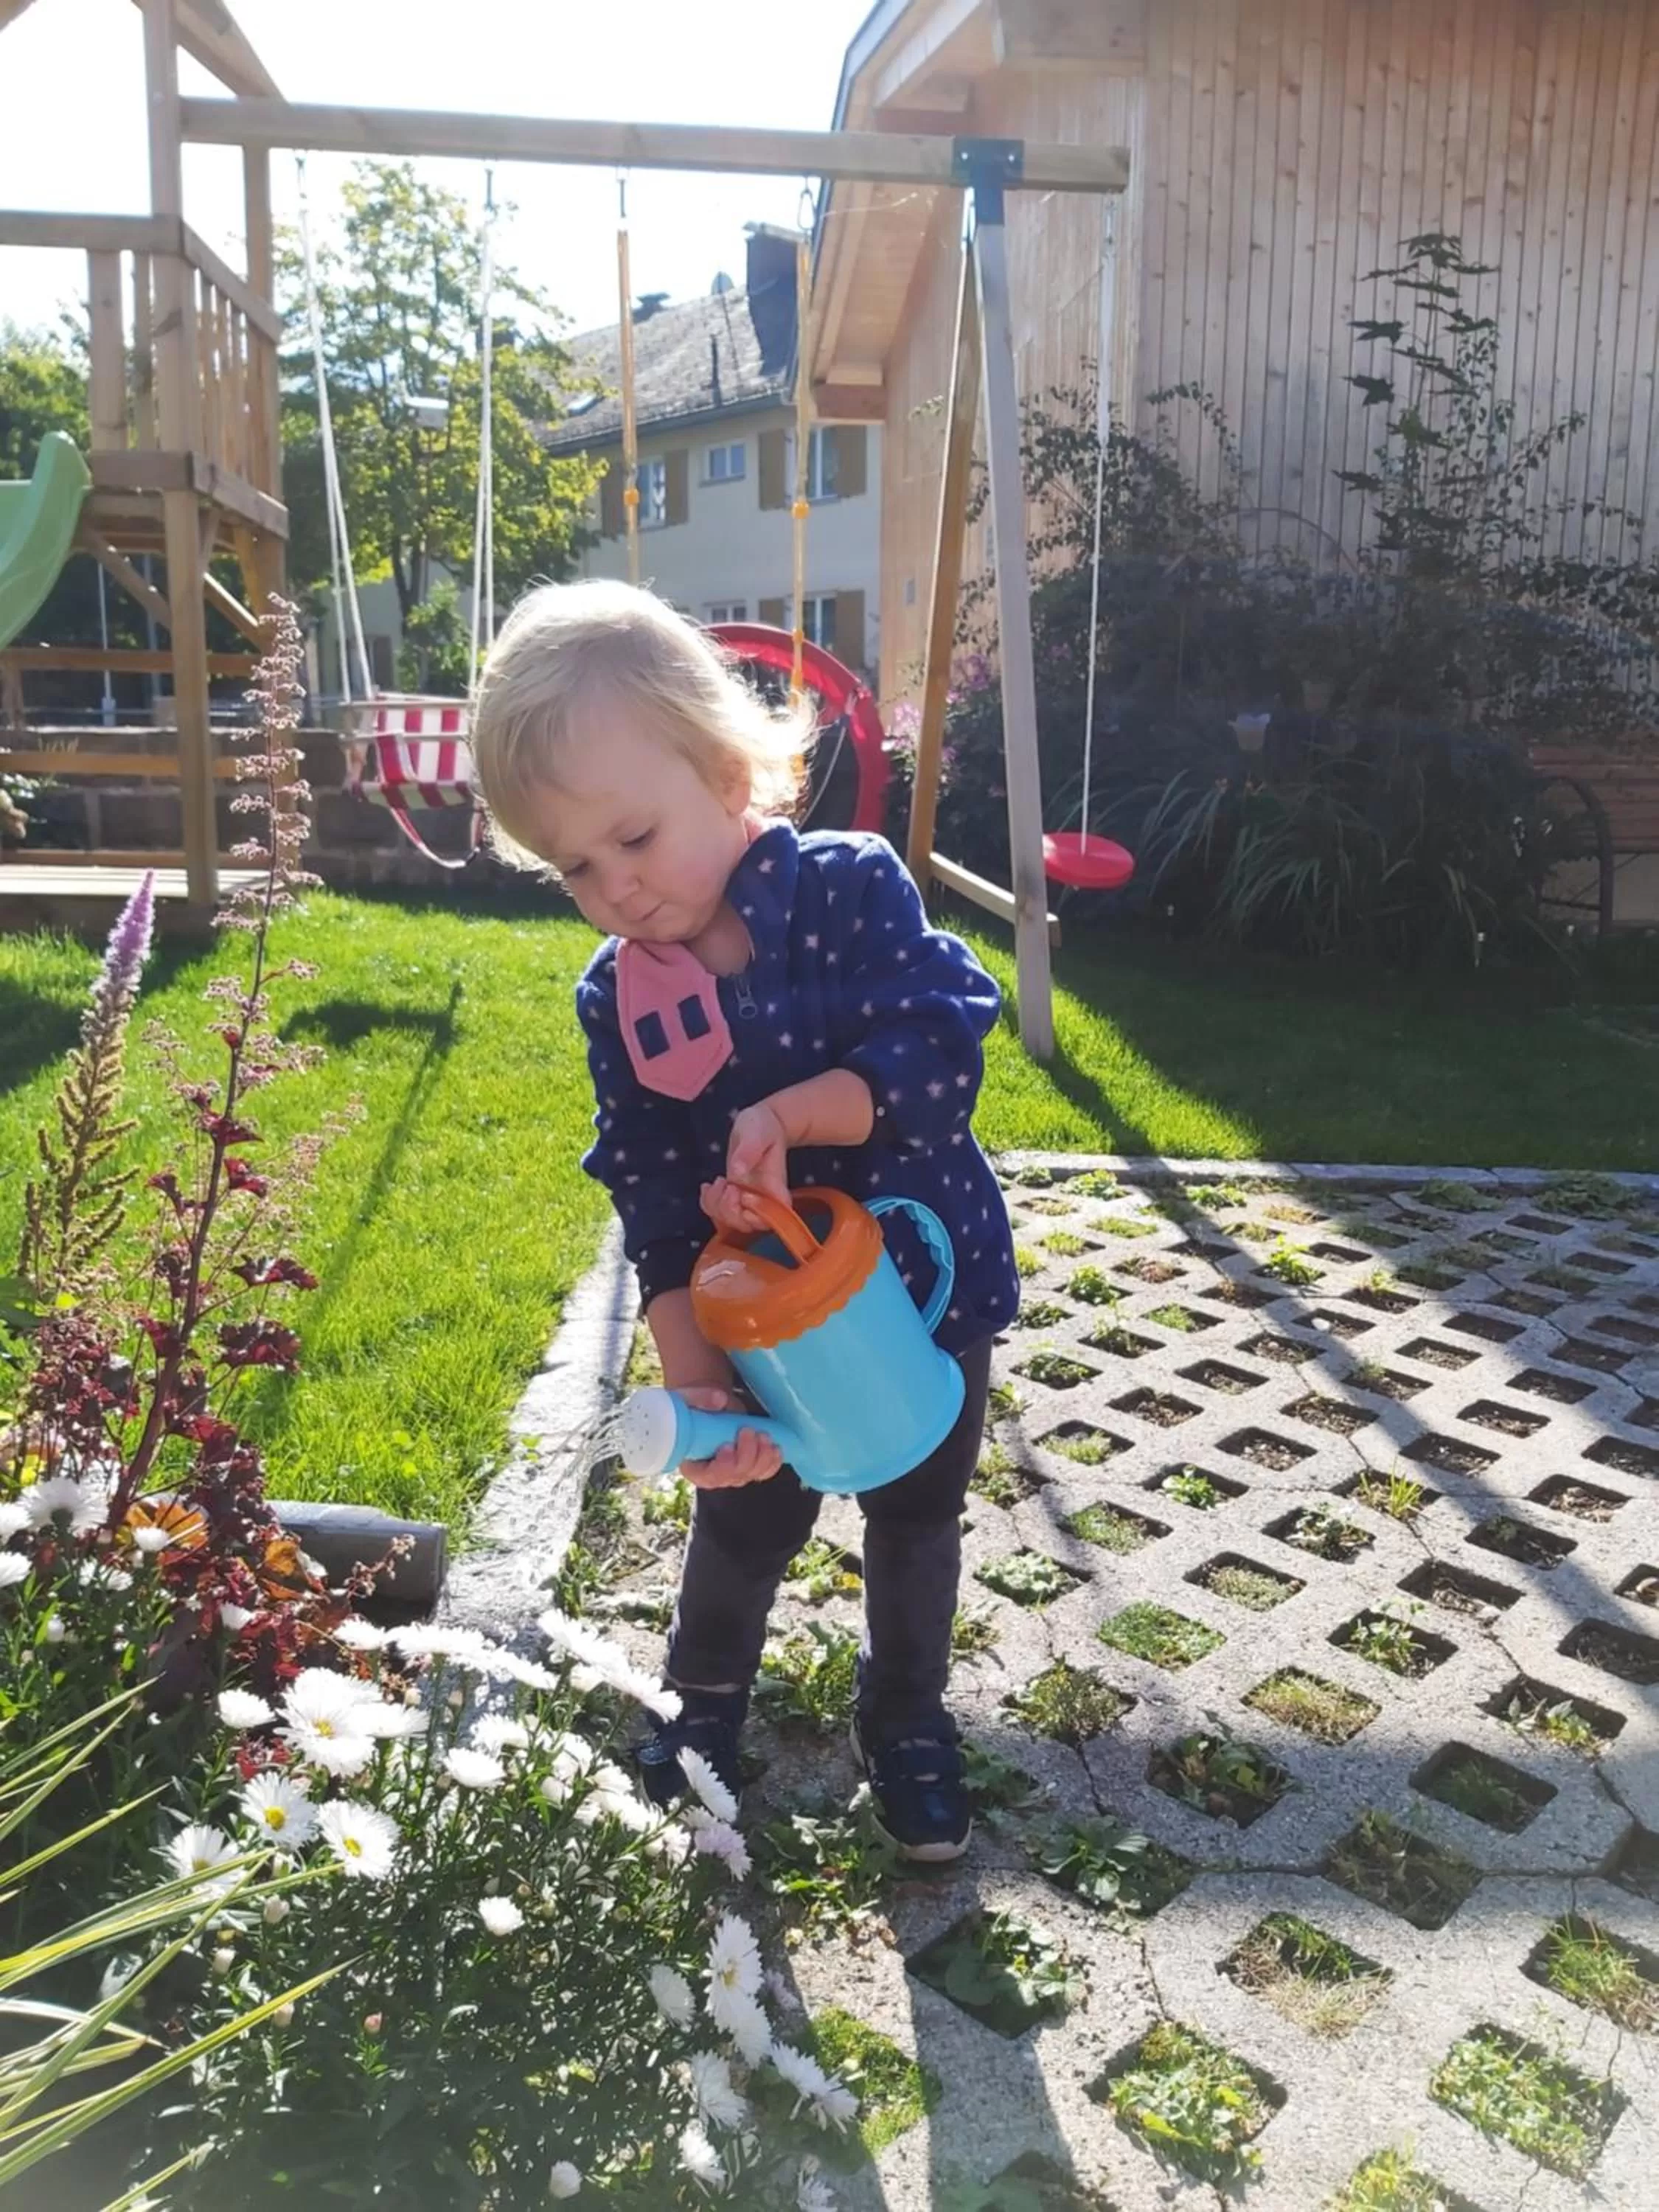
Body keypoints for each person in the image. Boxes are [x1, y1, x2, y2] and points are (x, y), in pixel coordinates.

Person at [470, 580, 1019, 1860]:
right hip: (760, 1325)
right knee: (747, 1514)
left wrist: (805, 1110)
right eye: (576, 870)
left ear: (724, 771)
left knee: (916, 1506)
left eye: (634, 838)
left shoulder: (848, 892)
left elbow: (943, 1055)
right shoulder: (616, 998)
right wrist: (693, 1366)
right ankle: (702, 1705)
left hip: (925, 1289)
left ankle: (907, 1715)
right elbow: (655, 1191)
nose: (617, 890)